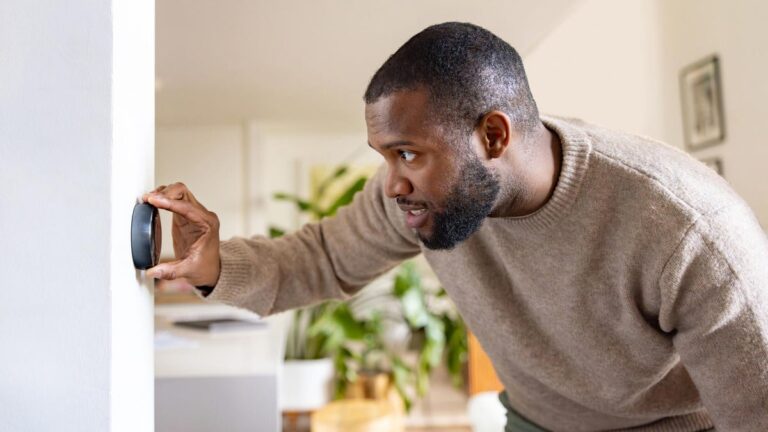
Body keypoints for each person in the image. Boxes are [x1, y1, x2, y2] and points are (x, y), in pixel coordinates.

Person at [143, 22, 768, 431]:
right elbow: (322, 259)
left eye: (407, 153)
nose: (391, 183)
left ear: (493, 135)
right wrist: (214, 266)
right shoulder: (417, 198)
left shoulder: (690, 232)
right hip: (533, 421)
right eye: (384, 156)